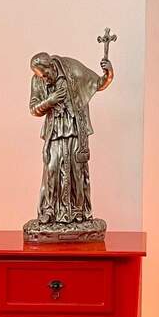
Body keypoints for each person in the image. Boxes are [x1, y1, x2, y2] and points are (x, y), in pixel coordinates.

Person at [28, 51, 113, 227]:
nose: (44, 79)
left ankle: (78, 211)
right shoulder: (37, 79)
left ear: (51, 66)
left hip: (74, 128)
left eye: (45, 74)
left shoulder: (72, 69)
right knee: (52, 169)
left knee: (76, 170)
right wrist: (50, 100)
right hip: (54, 131)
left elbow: (97, 83)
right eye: (41, 76)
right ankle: (49, 211)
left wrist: (109, 74)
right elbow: (33, 108)